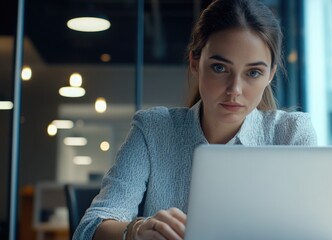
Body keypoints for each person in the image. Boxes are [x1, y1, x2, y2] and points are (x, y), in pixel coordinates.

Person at [73, 0, 317, 239]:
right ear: (195, 63)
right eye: (220, 68)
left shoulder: (291, 133)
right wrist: (136, 231)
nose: (235, 90)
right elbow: (88, 229)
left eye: (253, 73)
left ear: (270, 75)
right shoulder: (154, 130)